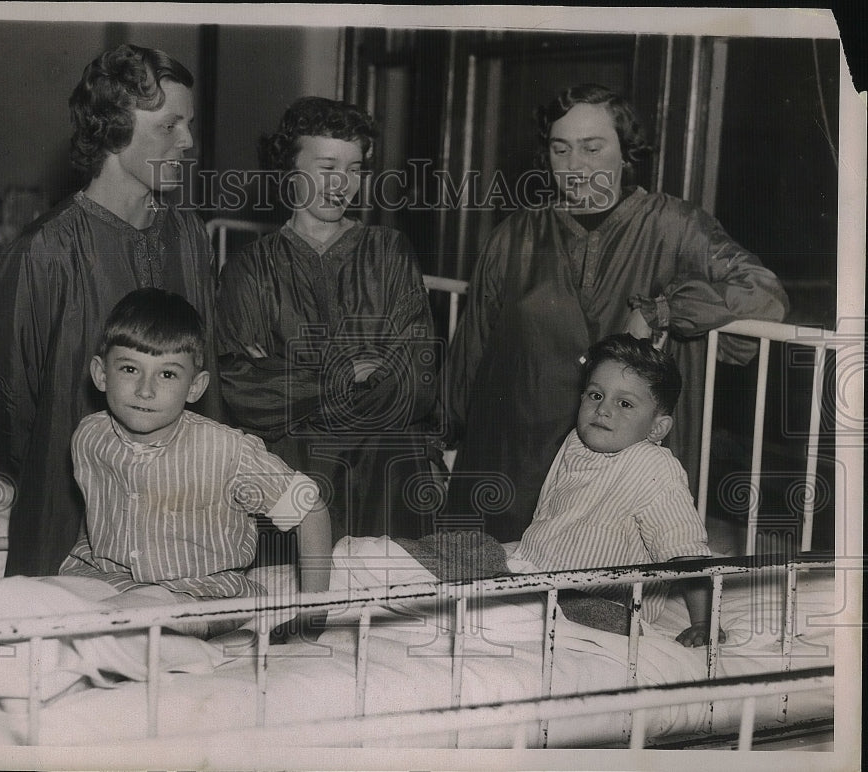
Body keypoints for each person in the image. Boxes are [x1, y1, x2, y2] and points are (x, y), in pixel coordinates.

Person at [444, 83, 789, 541]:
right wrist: (440, 441)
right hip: (514, 462)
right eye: (560, 148)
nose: (575, 165)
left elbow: (764, 294)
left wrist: (663, 310)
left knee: (605, 594)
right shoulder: (515, 236)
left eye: (593, 147)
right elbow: (471, 352)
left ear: (626, 152)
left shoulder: (674, 226)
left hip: (619, 473)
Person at [0, 44, 222, 577]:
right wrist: (73, 475)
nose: (188, 141)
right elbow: (8, 409)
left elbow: (210, 380)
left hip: (182, 518)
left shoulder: (189, 236)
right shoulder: (45, 250)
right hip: (69, 516)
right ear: (113, 132)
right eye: (169, 126)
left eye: (190, 124)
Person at [217, 96, 439, 541]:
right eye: (326, 167)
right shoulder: (249, 268)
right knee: (295, 602)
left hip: (385, 478)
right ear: (289, 169)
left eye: (355, 169)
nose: (343, 184)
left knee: (392, 600)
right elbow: (244, 391)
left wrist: (294, 378)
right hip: (294, 477)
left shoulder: (390, 252)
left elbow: (417, 380)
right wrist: (350, 373)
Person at [59, 288, 332, 637]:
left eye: (168, 374)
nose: (145, 390)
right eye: (130, 368)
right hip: (104, 581)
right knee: (18, 603)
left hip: (201, 595)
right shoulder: (89, 436)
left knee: (132, 625)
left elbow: (310, 511)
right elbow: (99, 512)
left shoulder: (227, 452)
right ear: (100, 374)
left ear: (195, 387)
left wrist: (311, 613)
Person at [507, 334, 721, 647]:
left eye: (624, 403)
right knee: (464, 553)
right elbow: (548, 516)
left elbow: (686, 550)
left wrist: (704, 622)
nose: (603, 410)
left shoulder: (652, 465)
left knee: (504, 608)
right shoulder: (575, 442)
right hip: (536, 575)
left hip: (606, 605)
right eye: (595, 395)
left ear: (656, 427)